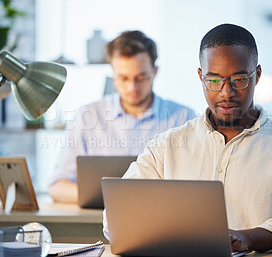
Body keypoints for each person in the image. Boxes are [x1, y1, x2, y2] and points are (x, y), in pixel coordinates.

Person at [103, 24, 272, 252]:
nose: (226, 92)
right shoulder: (165, 147)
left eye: (239, 79)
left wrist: (245, 238)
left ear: (258, 75)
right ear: (201, 77)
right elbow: (117, 217)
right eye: (214, 80)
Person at [49, 30, 196, 203]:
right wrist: (116, 197)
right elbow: (58, 186)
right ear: (112, 73)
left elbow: (195, 184)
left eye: (141, 78)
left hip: (164, 221)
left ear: (155, 71)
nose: (132, 87)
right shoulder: (87, 116)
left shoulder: (182, 118)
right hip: (100, 221)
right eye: (123, 78)